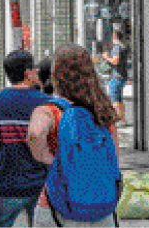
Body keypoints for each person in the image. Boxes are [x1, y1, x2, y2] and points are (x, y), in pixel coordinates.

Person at [28, 45, 121, 227]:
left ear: (56, 75)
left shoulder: (50, 111)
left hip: (59, 206)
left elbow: (35, 133)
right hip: (101, 207)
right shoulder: (102, 111)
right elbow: (114, 158)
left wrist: (48, 158)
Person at [0, 50, 49, 227]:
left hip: (7, 184)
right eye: (34, 69)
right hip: (40, 185)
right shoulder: (47, 102)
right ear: (27, 73)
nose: (37, 72)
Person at [102, 26, 130, 127]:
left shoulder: (117, 47)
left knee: (115, 98)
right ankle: (122, 119)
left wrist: (106, 57)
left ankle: (118, 119)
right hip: (122, 75)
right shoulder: (123, 46)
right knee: (119, 98)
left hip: (117, 76)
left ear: (115, 36)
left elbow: (115, 61)